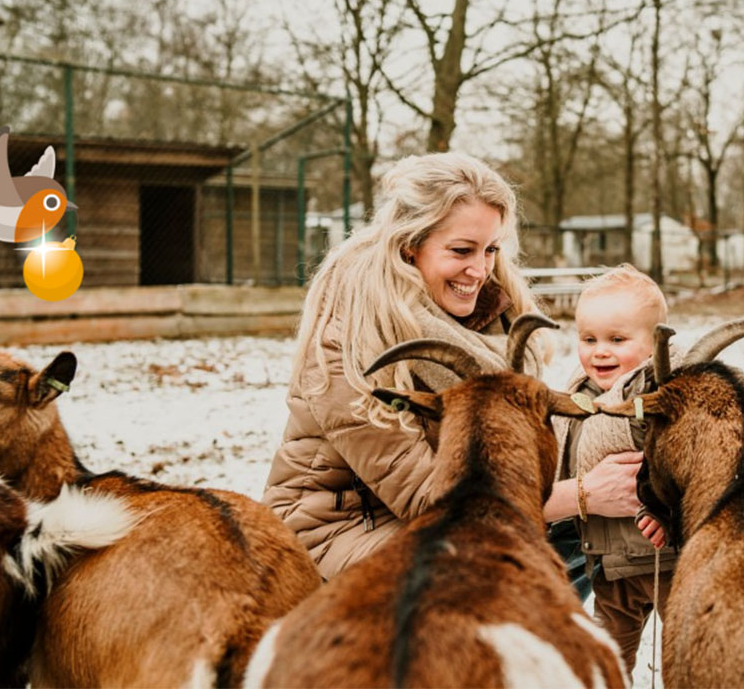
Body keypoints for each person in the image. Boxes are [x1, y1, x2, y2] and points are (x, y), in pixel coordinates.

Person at [262, 153, 633, 583]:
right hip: (333, 532)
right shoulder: (350, 338)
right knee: (489, 564)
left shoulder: (491, 321)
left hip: (431, 521)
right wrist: (584, 494)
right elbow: (429, 499)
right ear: (410, 245)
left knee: (586, 534)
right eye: (461, 250)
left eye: (490, 250)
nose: (479, 270)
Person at [550, 264, 675, 673]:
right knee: (607, 662)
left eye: (617, 340)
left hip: (667, 561)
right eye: (589, 339)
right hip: (608, 569)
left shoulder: (661, 396)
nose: (599, 351)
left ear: (654, 345)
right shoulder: (575, 399)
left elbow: (687, 467)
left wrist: (670, 512)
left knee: (684, 653)